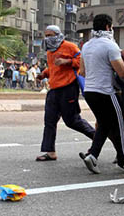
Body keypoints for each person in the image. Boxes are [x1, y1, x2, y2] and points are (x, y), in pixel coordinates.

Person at [79, 14, 124, 173]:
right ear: (108, 27)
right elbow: (123, 73)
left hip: (90, 91)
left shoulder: (86, 46)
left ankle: (93, 156)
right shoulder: (110, 46)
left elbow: (82, 72)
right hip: (106, 92)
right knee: (120, 125)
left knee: (104, 124)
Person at [35, 25, 95, 161]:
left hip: (68, 88)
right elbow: (52, 68)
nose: (48, 38)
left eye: (50, 35)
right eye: (46, 35)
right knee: (49, 121)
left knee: (72, 121)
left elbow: (81, 61)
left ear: (58, 34)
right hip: (54, 89)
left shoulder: (70, 46)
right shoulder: (50, 50)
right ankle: (50, 151)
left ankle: (97, 137)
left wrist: (66, 61)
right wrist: (43, 75)